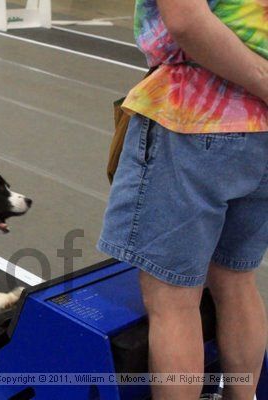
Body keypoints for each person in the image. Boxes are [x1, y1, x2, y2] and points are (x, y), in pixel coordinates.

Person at [98, 0, 268, 399]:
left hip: (195, 117)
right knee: (236, 279)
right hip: (263, 134)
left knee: (173, 299)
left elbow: (187, 21)